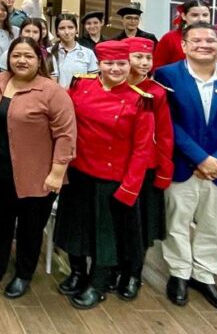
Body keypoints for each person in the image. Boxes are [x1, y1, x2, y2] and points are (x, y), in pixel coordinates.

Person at [154, 22, 217, 315]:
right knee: (177, 222)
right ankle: (179, 272)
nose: (204, 45)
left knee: (213, 225)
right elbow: (167, 122)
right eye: (196, 40)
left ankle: (205, 275)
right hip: (182, 165)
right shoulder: (166, 76)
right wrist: (200, 158)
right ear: (184, 46)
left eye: (210, 40)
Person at [0, 37, 76, 299]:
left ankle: (23, 274)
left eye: (28, 56)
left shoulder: (52, 92)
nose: (21, 60)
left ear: (39, 60)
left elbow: (66, 135)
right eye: (16, 55)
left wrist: (57, 173)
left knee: (30, 227)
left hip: (37, 174)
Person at [55, 41, 153, 309]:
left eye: (122, 64)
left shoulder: (140, 100)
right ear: (99, 64)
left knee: (105, 236)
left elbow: (142, 149)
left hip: (112, 179)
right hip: (78, 171)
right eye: (109, 63)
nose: (116, 69)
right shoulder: (81, 85)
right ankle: (77, 273)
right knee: (75, 228)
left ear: (129, 65)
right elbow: (63, 117)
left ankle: (97, 284)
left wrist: (130, 187)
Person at [124, 37, 174, 299]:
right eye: (138, 57)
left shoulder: (157, 92)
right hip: (117, 166)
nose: (144, 63)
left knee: (140, 225)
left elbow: (165, 135)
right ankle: (115, 268)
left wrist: (165, 170)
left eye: (148, 58)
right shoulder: (114, 86)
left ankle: (134, 273)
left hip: (146, 167)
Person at [154, 0, 212, 69]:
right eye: (195, 15)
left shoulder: (215, 39)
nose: (201, 19)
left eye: (205, 15)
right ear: (184, 16)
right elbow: (157, 67)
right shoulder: (170, 38)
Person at [49, 14, 98, 88]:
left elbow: (94, 81)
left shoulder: (88, 53)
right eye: (62, 28)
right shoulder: (48, 52)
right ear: (57, 31)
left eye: (70, 27)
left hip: (81, 94)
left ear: (76, 30)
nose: (67, 32)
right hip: (56, 94)